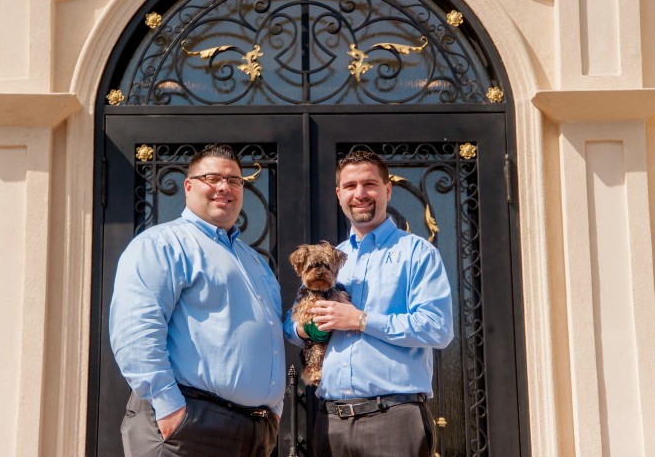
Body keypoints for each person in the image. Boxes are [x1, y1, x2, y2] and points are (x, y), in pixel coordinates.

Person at [110, 144, 285, 457]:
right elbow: (135, 332)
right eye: (212, 178)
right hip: (189, 427)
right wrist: (169, 410)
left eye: (234, 181)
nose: (224, 187)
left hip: (255, 433)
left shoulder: (255, 262)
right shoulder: (162, 244)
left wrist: (274, 408)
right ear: (188, 186)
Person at [284, 150, 454, 457]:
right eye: (350, 186)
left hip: (393, 418)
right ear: (339, 194)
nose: (360, 194)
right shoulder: (329, 257)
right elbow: (290, 324)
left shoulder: (417, 253)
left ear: (387, 190)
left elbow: (437, 328)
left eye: (369, 184)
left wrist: (360, 320)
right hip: (330, 420)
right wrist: (305, 328)